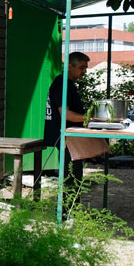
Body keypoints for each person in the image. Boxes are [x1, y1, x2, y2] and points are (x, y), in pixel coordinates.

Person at [44, 51, 90, 184]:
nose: (84, 71)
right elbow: (66, 114)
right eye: (82, 68)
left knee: (74, 175)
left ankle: (70, 204)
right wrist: (89, 119)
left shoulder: (67, 84)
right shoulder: (62, 85)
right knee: (72, 177)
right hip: (66, 138)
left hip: (70, 138)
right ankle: (68, 205)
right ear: (70, 66)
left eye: (86, 68)